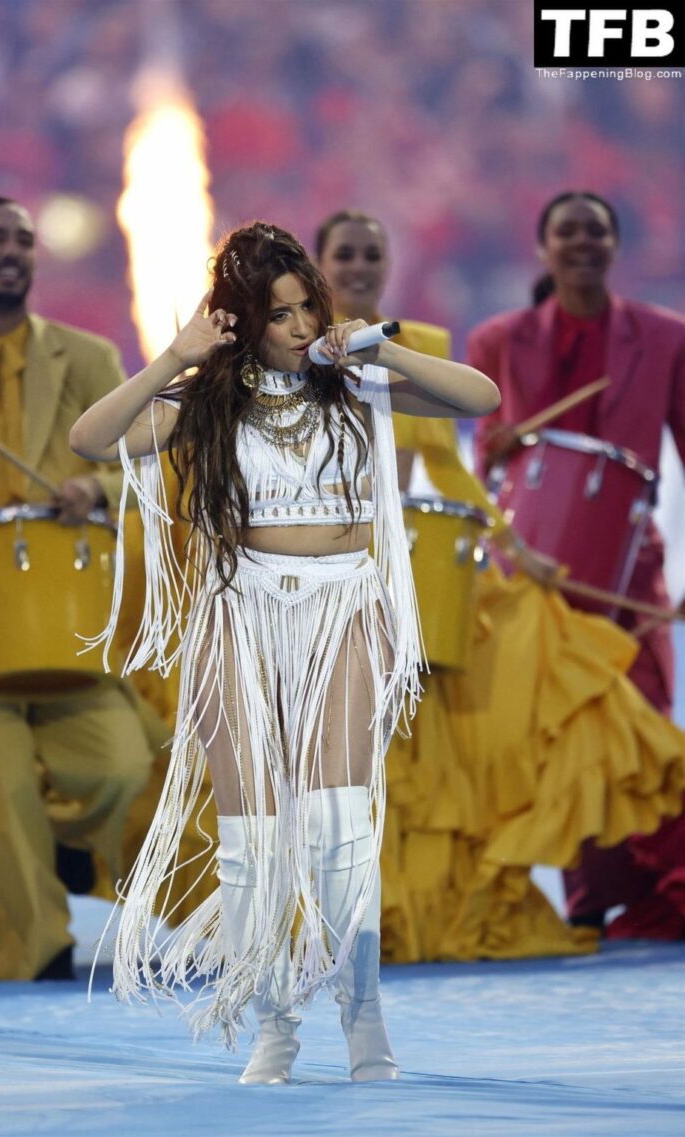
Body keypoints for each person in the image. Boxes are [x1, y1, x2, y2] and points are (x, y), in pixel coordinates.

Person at [70, 221, 500, 1084]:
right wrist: (173, 355)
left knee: (342, 824)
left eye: (308, 307)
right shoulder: (206, 401)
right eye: (279, 314)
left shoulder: (357, 385)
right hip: (239, 610)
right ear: (244, 321)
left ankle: (362, 1011)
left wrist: (386, 349)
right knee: (254, 833)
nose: (300, 326)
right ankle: (274, 1023)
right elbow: (92, 438)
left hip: (344, 604)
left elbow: (481, 397)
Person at [315, 209, 684, 960]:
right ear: (318, 263)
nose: (359, 267)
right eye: (345, 254)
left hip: (409, 575)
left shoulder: (421, 348)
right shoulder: (286, 353)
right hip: (311, 578)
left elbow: (452, 469)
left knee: (562, 679)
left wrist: (516, 546)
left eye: (372, 254)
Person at [0, 196, 161, 980]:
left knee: (117, 765)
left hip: (65, 596)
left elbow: (140, 459)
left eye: (24, 241)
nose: (12, 250)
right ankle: (37, 952)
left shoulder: (88, 356)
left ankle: (67, 837)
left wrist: (96, 489)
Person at [468, 190, 685, 932]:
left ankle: (654, 888)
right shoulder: (498, 339)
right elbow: (488, 464)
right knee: (553, 731)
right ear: (543, 249)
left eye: (596, 231)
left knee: (643, 717)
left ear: (615, 245)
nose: (582, 243)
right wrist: (498, 448)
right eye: (567, 232)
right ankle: (591, 900)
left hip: (632, 568)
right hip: (533, 570)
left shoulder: (665, 337)